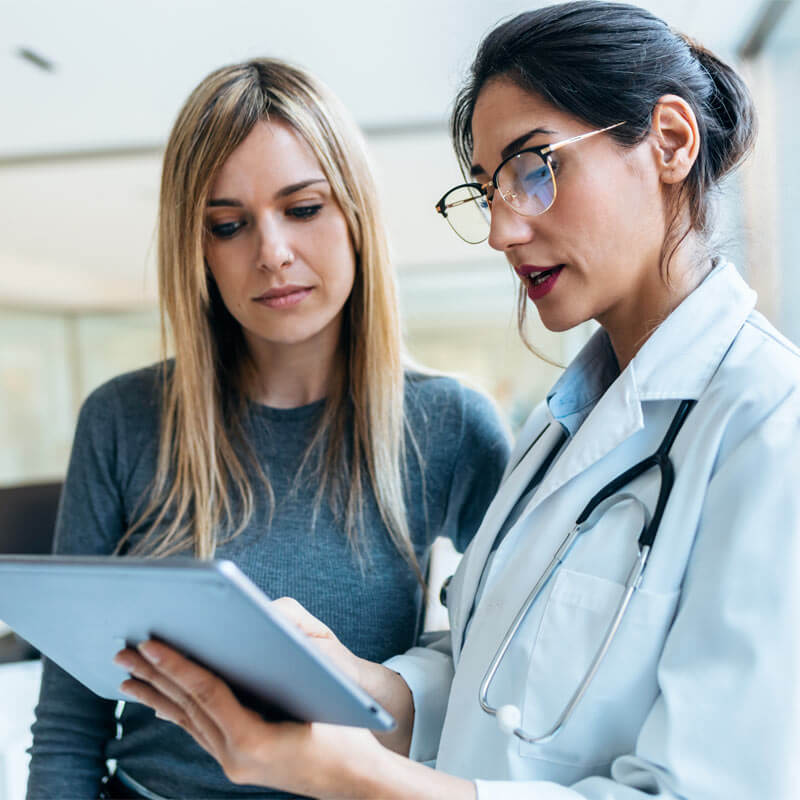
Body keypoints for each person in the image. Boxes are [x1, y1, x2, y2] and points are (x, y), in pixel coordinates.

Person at [113, 3, 800, 798]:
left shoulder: (768, 424)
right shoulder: (563, 425)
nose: (503, 229)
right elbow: (492, 675)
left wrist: (350, 776)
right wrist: (362, 684)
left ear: (671, 142)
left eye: (536, 167)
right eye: (488, 190)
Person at [26, 58, 510, 800]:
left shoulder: (450, 424)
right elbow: (69, 724)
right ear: (200, 249)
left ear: (355, 214)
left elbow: (507, 669)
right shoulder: (124, 420)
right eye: (229, 224)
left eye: (304, 208)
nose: (272, 252)